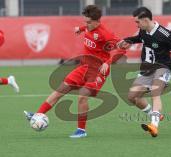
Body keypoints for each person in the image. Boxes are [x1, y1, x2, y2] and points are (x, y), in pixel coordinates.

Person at [24, 5, 125, 138]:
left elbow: (121, 50)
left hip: (98, 72)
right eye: (85, 22)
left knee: (82, 96)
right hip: (84, 68)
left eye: (88, 22)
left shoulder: (106, 34)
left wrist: (107, 62)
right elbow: (88, 29)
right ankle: (38, 115)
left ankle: (81, 130)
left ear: (97, 21)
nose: (86, 25)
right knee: (59, 90)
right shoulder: (89, 27)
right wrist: (81, 29)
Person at [118, 7, 171, 137]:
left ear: (145, 20)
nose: (136, 25)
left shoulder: (164, 34)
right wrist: (127, 40)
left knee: (155, 92)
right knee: (132, 97)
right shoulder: (143, 30)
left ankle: (154, 126)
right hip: (146, 70)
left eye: (137, 22)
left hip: (162, 68)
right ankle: (155, 115)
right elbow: (139, 38)